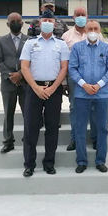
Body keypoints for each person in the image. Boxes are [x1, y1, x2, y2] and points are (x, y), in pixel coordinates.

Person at [19, 10, 69, 177]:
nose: (47, 22)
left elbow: (64, 68)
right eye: (44, 19)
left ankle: (49, 163)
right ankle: (29, 164)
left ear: (55, 23)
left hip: (54, 90)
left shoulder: (61, 44)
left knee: (52, 127)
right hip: (34, 90)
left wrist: (54, 88)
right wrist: (36, 88)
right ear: (40, 23)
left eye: (50, 20)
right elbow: (24, 67)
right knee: (31, 128)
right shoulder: (30, 43)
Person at [69, 20, 108, 173]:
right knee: (80, 129)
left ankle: (100, 161)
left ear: (99, 30)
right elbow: (72, 69)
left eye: (96, 28)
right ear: (85, 31)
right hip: (82, 95)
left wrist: (98, 85)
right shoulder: (77, 48)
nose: (93, 31)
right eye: (90, 28)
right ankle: (81, 161)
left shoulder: (106, 48)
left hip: (101, 94)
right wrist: (84, 85)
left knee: (102, 129)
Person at [61, 7, 101, 151]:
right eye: (78, 15)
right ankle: (76, 139)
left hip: (94, 78)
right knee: (75, 108)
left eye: (83, 15)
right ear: (73, 17)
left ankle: (96, 139)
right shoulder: (66, 37)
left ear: (87, 16)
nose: (80, 17)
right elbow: (64, 62)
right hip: (75, 79)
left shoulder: (96, 34)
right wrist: (64, 82)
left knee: (95, 108)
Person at [0, 12, 27, 154]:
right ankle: (8, 141)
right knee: (8, 113)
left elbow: (33, 60)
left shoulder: (29, 40)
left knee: (28, 113)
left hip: (25, 82)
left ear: (22, 23)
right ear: (7, 24)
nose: (15, 23)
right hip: (8, 83)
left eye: (18, 20)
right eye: (12, 21)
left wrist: (20, 74)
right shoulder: (0, 41)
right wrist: (10, 75)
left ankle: (28, 138)